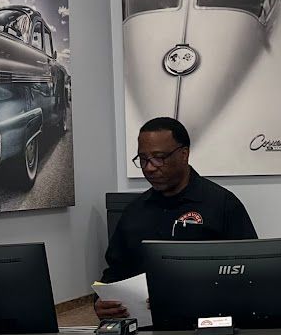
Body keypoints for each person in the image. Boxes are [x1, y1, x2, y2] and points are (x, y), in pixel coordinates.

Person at [95, 116, 256, 318]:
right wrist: (100, 303)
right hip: (145, 331)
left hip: (207, 329)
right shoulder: (133, 212)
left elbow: (250, 273)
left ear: (184, 154)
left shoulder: (222, 205)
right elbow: (115, 273)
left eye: (158, 157)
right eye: (143, 159)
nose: (149, 167)